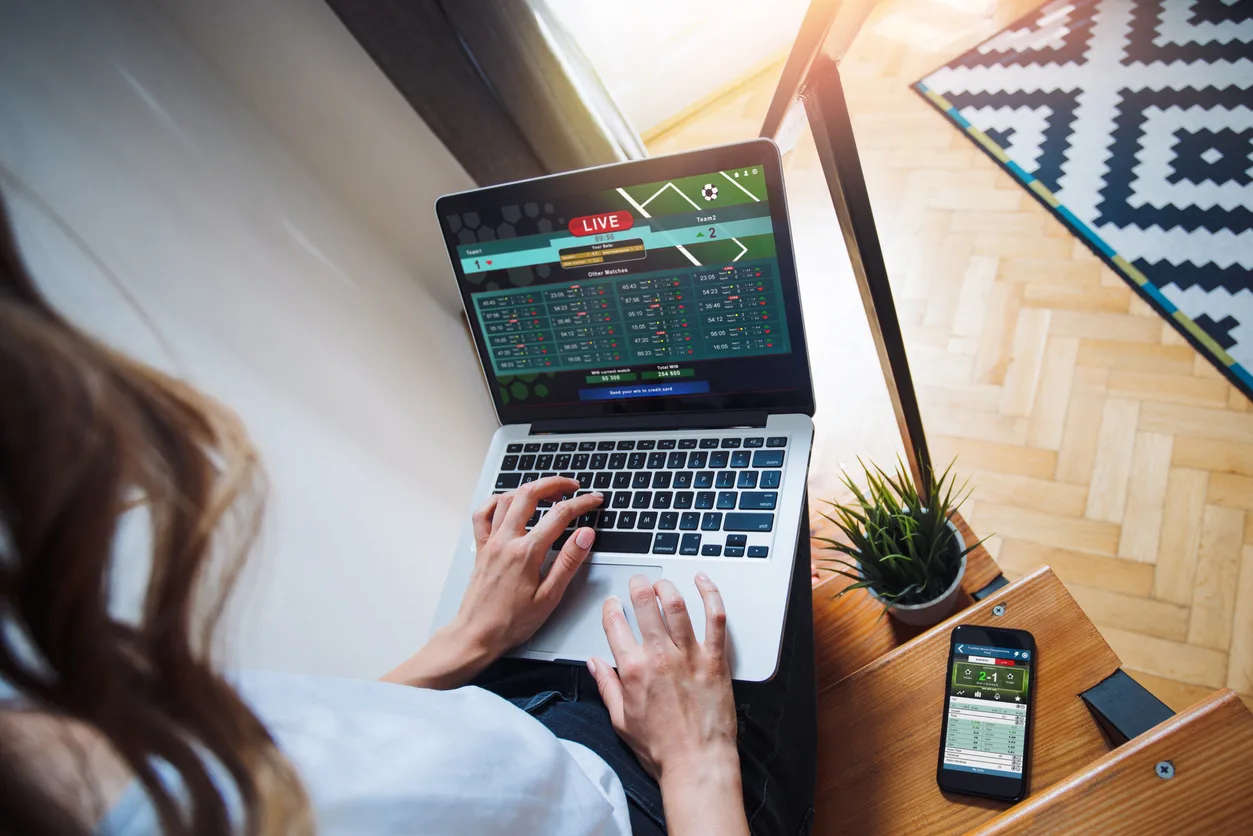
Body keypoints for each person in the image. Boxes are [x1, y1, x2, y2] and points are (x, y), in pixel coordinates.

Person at [0, 197, 816, 835]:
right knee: (774, 521)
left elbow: (305, 758)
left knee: (600, 558)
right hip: (653, 802)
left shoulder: (45, 724)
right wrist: (695, 757)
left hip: (498, 716)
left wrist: (467, 641)